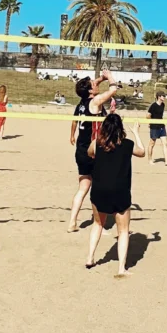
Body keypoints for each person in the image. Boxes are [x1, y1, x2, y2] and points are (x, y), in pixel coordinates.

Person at [84, 114, 146, 276]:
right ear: (120, 129)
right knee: (123, 230)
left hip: (99, 189)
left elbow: (90, 153)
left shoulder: (97, 143)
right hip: (120, 191)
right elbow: (142, 152)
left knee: (97, 224)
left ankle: (90, 258)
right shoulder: (127, 144)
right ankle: (121, 268)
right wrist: (136, 132)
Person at [67, 70, 122, 231]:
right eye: (93, 84)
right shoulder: (95, 101)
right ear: (90, 91)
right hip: (94, 151)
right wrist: (110, 76)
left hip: (81, 149)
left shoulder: (81, 103)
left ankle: (72, 222)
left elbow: (92, 87)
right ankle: (100, 224)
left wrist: (100, 79)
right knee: (100, 189)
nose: (95, 84)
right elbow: (113, 90)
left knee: (83, 187)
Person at [146, 91, 167, 166]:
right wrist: (150, 122)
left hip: (161, 126)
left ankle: (166, 160)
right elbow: (148, 115)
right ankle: (150, 160)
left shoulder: (163, 105)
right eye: (163, 96)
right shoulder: (153, 105)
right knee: (152, 143)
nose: (164, 97)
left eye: (164, 96)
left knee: (165, 143)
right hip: (154, 126)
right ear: (159, 97)